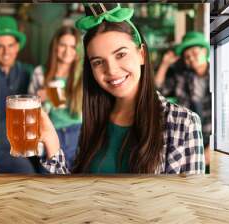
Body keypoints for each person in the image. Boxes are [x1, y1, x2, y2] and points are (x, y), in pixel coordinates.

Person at [38, 3, 205, 174]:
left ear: (142, 54)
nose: (111, 70)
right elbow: (76, 195)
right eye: (98, 62)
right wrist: (52, 143)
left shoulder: (183, 122)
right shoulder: (94, 119)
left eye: (121, 54)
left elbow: (189, 199)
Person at [29, 26, 83, 170]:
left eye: (72, 47)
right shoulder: (40, 73)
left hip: (77, 133)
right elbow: (29, 114)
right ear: (55, 46)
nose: (67, 51)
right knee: (49, 176)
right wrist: (39, 99)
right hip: (50, 132)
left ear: (77, 50)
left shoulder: (83, 75)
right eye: (63, 45)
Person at [158, 31, 212, 174]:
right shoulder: (182, 77)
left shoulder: (218, 73)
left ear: (205, 51)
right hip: (189, 137)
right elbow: (157, 91)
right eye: (187, 57)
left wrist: (211, 147)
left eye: (194, 53)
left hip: (211, 142)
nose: (191, 59)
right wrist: (164, 64)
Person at [0, 16, 40, 173]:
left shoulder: (28, 72)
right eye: (0, 46)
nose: (6, 52)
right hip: (0, 147)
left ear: (17, 46)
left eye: (10, 45)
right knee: (27, 174)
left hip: (26, 142)